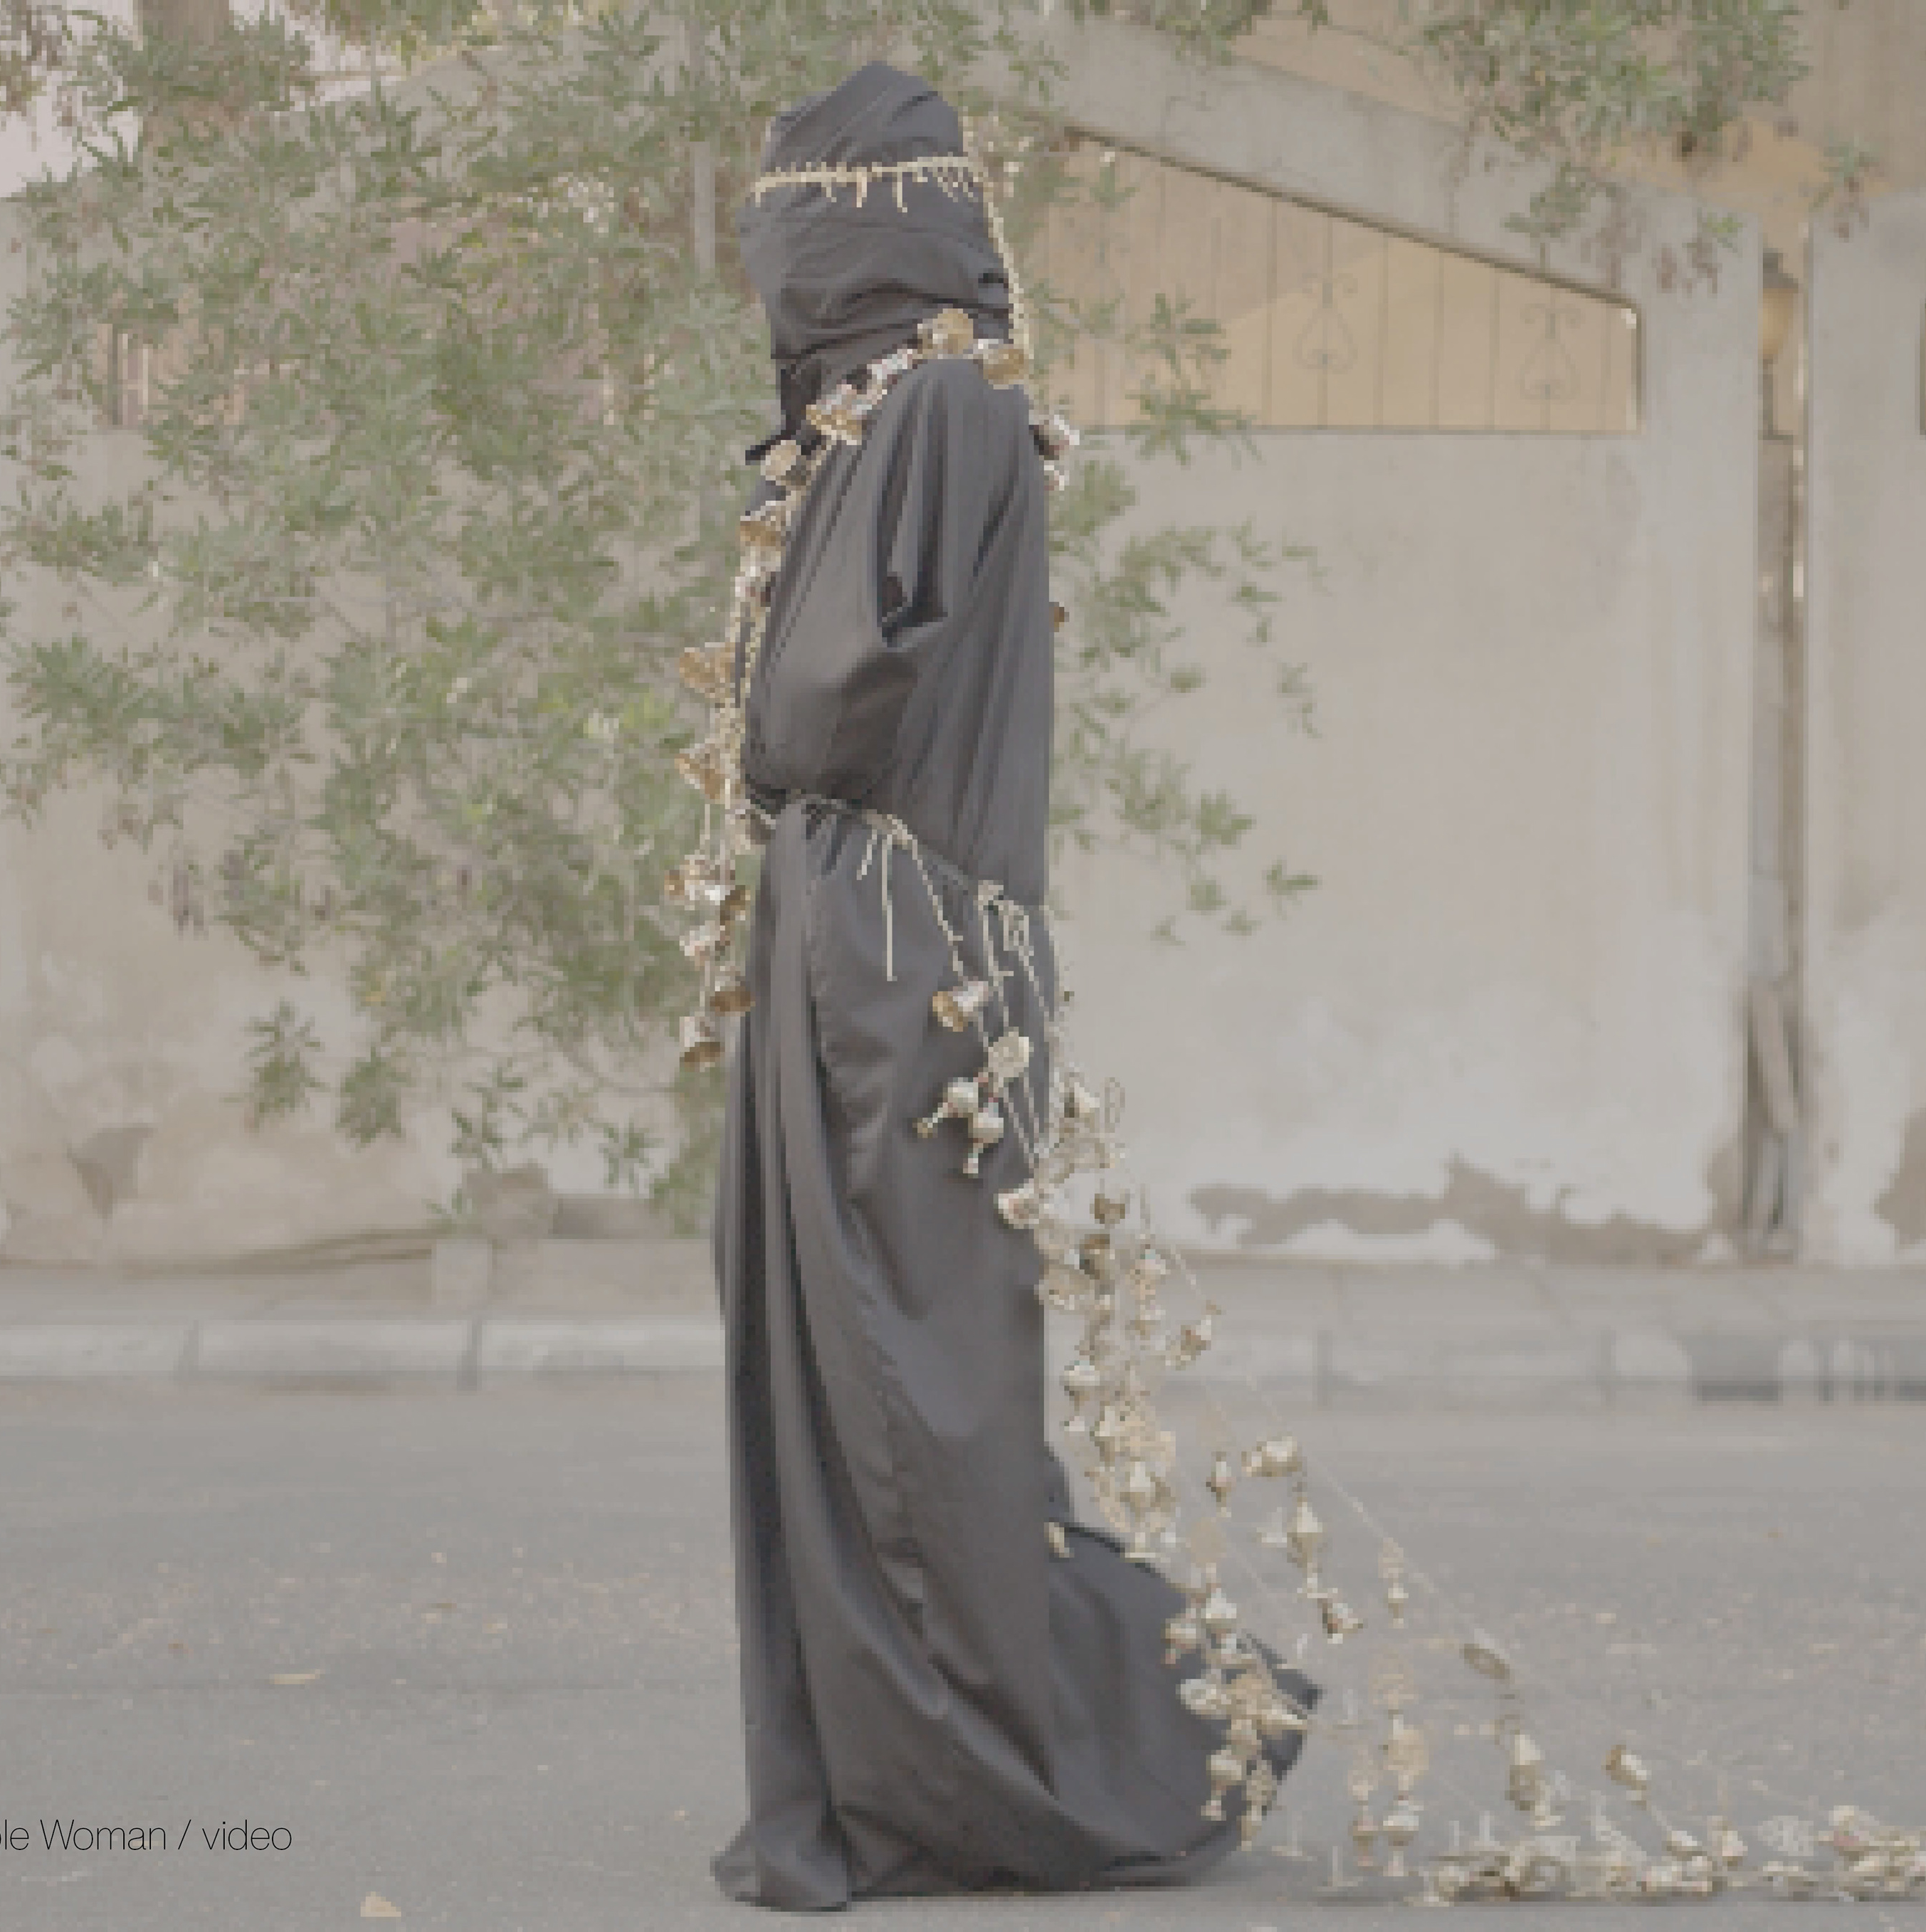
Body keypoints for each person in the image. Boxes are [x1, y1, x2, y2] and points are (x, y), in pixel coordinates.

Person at [700, 63, 1311, 1913]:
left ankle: (1036, 1762)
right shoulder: (908, 415)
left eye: (794, 231)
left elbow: (821, 707)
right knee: (853, 1380)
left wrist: (761, 738)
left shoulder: (938, 410)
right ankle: (910, 1775)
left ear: (863, 233)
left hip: (902, 971)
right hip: (872, 951)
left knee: (914, 1391)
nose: (776, 279)